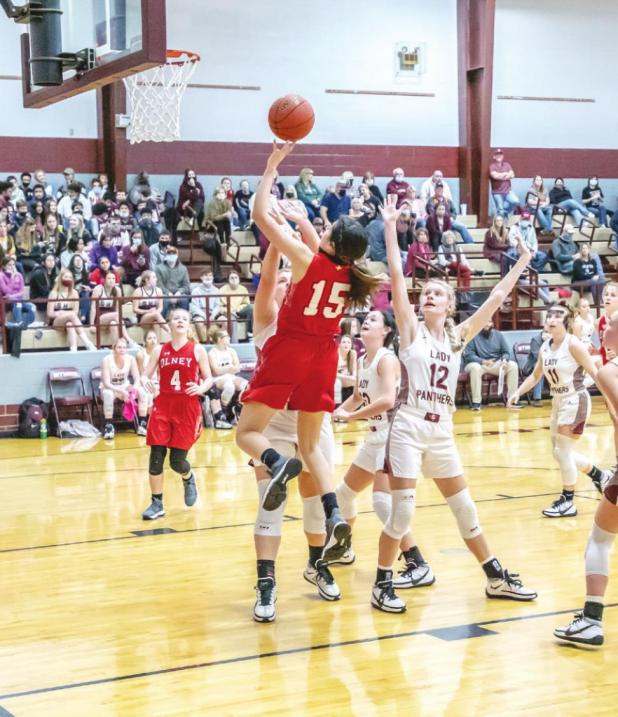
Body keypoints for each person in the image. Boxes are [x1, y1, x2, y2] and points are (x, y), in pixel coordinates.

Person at [372, 194, 537, 613]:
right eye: (424, 292)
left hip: (441, 430)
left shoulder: (458, 336)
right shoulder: (410, 330)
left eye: (436, 294)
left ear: (448, 304)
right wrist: (390, 227)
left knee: (465, 508)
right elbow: (394, 273)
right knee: (401, 514)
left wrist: (522, 260)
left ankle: (495, 577)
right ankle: (382, 584)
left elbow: (497, 297)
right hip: (407, 427)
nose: (428, 297)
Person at [236, 141, 380, 562]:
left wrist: (271, 166)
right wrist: (301, 221)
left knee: (246, 433)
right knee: (313, 445)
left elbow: (261, 216)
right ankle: (334, 513)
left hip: (293, 349)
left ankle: (273, 461)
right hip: (325, 355)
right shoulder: (351, 275)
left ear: (332, 239)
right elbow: (321, 249)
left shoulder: (304, 260)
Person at [250, 240, 340, 622]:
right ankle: (266, 583)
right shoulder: (268, 318)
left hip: (310, 419)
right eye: (284, 281)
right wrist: (275, 241)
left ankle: (316, 563)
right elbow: (268, 281)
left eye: (294, 279)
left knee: (314, 499)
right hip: (270, 422)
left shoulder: (314, 321)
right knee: (270, 502)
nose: (287, 283)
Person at [333, 309, 436, 588]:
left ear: (386, 330)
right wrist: (335, 412)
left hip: (394, 435)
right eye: (366, 318)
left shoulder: (387, 359)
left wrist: (351, 417)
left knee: (381, 502)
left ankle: (416, 561)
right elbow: (356, 396)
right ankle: (344, 548)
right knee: (343, 496)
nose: (367, 321)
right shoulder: (362, 358)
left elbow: (388, 400)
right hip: (374, 436)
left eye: (374, 319)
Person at [509, 302, 611, 517]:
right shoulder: (545, 347)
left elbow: (594, 372)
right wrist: (518, 391)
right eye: (550, 315)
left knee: (561, 451)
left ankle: (568, 500)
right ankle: (599, 475)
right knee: (559, 453)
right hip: (558, 401)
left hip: (576, 400)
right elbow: (536, 376)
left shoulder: (573, 344)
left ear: (566, 321)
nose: (552, 319)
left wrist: (611, 399)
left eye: (558, 315)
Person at [553, 310, 618, 646]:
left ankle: (592, 621)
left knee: (599, 541)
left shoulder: (609, 370)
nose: (602, 330)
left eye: (608, 327)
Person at [140, 308, 213, 520]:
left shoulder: (197, 350)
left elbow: (209, 379)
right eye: (176, 318)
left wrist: (201, 389)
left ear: (188, 326)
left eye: (184, 319)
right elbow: (145, 376)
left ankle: (188, 477)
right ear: (169, 325)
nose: (180, 321)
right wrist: (146, 383)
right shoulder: (159, 351)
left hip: (187, 408)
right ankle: (156, 504)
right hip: (163, 406)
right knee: (156, 457)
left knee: (176, 462)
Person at [463, 319, 520, 411]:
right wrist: (483, 361)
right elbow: (469, 355)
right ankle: (476, 402)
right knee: (475, 368)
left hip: (495, 363)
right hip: (478, 364)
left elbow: (506, 352)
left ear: (492, 323)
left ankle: (512, 400)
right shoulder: (473, 335)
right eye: (485, 321)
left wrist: (504, 360)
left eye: (489, 322)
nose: (487, 324)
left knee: (513, 365)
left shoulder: (498, 335)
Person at [100, 338, 148, 439]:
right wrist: (121, 391)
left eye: (124, 347)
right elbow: (106, 383)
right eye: (119, 347)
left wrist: (133, 391)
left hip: (124, 386)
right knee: (108, 394)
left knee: (142, 391)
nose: (122, 349)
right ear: (114, 349)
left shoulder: (130, 359)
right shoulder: (107, 360)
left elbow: (137, 378)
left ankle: (142, 424)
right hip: (110, 387)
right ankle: (109, 426)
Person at [47, 268, 96, 351]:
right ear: (61, 278)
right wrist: (60, 313)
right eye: (66, 277)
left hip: (70, 320)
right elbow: (49, 313)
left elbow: (76, 311)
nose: (68, 279)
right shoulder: (54, 293)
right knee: (71, 315)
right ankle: (87, 342)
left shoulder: (74, 293)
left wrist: (67, 314)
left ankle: (74, 350)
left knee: (70, 324)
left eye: (70, 277)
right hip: (56, 321)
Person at [208, 328, 248, 424]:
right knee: (229, 386)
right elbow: (216, 371)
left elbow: (237, 368)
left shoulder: (231, 351)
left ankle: (238, 407)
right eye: (227, 336)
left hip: (231, 376)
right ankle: (224, 408)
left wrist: (227, 369)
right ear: (219, 339)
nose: (229, 338)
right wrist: (229, 367)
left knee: (246, 385)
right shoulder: (212, 353)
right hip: (218, 378)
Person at [90, 271, 136, 349]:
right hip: (100, 318)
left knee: (113, 324)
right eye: (109, 278)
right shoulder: (98, 289)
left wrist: (119, 321)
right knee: (116, 315)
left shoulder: (117, 290)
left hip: (112, 317)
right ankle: (128, 340)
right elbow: (93, 307)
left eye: (113, 278)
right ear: (104, 280)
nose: (111, 280)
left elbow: (118, 308)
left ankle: (115, 347)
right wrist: (91, 325)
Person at [132, 270, 170, 341]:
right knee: (155, 314)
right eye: (154, 277)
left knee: (156, 323)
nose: (156, 279)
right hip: (142, 319)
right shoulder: (138, 291)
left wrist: (155, 312)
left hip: (155, 316)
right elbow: (135, 309)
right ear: (147, 280)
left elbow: (160, 307)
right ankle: (170, 331)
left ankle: (157, 346)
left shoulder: (158, 290)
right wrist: (147, 311)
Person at [0, 256, 37, 326]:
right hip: (5, 300)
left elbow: (22, 291)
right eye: (9, 265)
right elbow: (6, 291)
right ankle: (18, 322)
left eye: (13, 264)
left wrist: (12, 296)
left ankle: (24, 324)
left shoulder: (19, 275)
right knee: (18, 303)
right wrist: (12, 277)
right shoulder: (1, 276)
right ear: (4, 266)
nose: (12, 267)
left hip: (17, 299)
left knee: (32, 306)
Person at [155, 246, 191, 317]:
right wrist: (168, 293)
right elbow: (159, 285)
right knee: (164, 300)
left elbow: (186, 286)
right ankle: (162, 322)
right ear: (165, 255)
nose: (171, 255)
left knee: (184, 299)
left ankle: (185, 321)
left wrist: (179, 292)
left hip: (179, 293)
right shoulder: (158, 268)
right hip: (164, 293)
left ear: (177, 255)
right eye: (169, 253)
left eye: (173, 253)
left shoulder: (183, 268)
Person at [218, 271, 253, 338]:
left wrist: (237, 309)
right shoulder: (222, 290)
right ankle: (234, 341)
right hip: (228, 312)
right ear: (228, 280)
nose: (234, 279)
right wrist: (230, 311)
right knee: (232, 318)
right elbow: (220, 306)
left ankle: (250, 332)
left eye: (236, 277)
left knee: (251, 307)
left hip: (239, 310)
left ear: (239, 279)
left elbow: (246, 303)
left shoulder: (243, 289)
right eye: (232, 278)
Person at [190, 269, 221, 343]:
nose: (208, 277)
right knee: (199, 321)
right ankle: (206, 343)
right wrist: (204, 315)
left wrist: (213, 315)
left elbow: (217, 305)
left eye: (210, 275)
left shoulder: (216, 290)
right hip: (200, 314)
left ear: (213, 278)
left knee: (224, 320)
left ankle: (223, 341)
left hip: (212, 313)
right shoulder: (196, 291)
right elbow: (194, 306)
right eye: (205, 275)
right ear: (201, 278)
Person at [489, 148, 519, 216]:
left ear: (503, 156)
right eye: (497, 155)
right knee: (500, 209)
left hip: (508, 191)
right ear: (494, 156)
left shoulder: (507, 164)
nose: (499, 156)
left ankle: (504, 212)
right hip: (497, 192)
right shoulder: (492, 166)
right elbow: (495, 176)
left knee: (515, 201)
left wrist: (500, 175)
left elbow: (513, 175)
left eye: (500, 155)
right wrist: (506, 174)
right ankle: (501, 224)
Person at [521, 330, 546, 407]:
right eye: (547, 333)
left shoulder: (554, 339)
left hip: (548, 364)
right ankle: (537, 398)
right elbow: (537, 357)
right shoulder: (535, 340)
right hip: (531, 366)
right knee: (539, 367)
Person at [335, 334, 357, 405]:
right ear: (339, 344)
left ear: (351, 345)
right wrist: (350, 378)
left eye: (349, 342)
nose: (346, 344)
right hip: (336, 383)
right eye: (343, 342)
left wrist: (352, 379)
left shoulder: (353, 353)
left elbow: (354, 373)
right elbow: (332, 374)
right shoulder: (335, 354)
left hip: (348, 384)